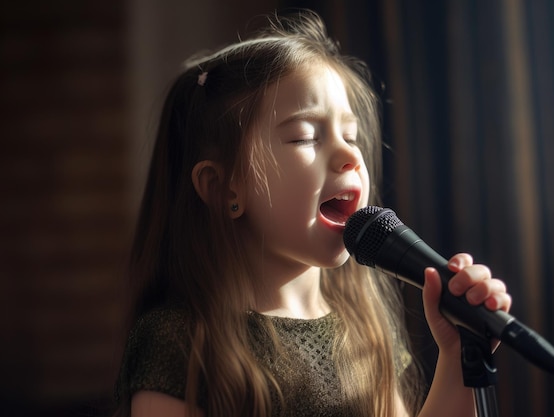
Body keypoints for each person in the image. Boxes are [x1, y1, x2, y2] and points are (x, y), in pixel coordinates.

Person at [113, 10, 512, 417]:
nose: (349, 155)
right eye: (306, 136)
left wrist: (459, 355)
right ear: (222, 188)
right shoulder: (179, 342)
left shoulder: (366, 329)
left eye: (351, 136)